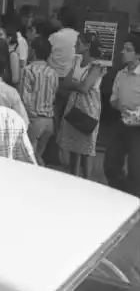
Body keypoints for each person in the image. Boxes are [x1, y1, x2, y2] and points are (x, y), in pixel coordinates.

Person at [57, 31, 106, 180]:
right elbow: (67, 82)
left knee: (86, 148)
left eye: (78, 43)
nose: (75, 45)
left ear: (87, 46)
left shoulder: (97, 66)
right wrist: (76, 85)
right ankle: (74, 176)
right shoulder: (76, 61)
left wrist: (74, 84)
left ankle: (87, 179)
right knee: (73, 146)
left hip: (88, 109)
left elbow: (85, 87)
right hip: (73, 106)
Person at [105, 33, 140, 197]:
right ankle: (120, 195)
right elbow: (114, 99)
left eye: (128, 50)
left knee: (135, 168)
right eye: (123, 49)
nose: (123, 52)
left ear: (137, 54)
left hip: (138, 127)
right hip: (121, 121)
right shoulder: (120, 74)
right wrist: (122, 106)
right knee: (111, 164)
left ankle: (134, 201)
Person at [19, 36, 59, 166]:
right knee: (38, 157)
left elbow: (25, 98)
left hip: (34, 119)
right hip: (49, 121)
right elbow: (54, 94)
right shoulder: (53, 72)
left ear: (34, 51)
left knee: (29, 160)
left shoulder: (28, 70)